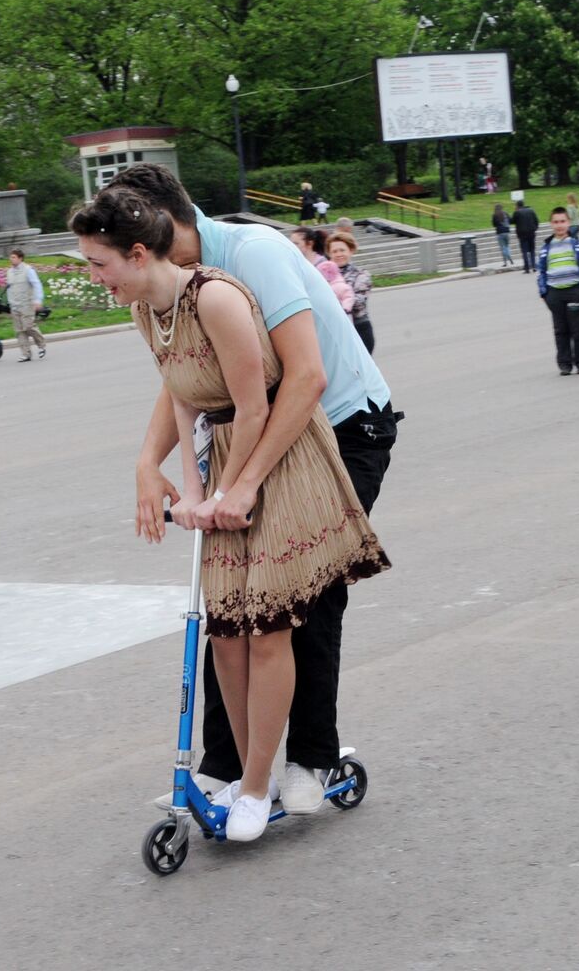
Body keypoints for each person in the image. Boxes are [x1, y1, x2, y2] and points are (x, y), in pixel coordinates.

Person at [71, 187, 389, 842]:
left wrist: (239, 488)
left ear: (161, 231)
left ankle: (309, 761)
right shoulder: (164, 297)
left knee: (304, 606)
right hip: (245, 443)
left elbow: (303, 381)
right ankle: (234, 766)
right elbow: (187, 380)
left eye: (101, 263)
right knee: (229, 622)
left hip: (339, 427)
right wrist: (157, 467)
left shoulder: (250, 258)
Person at [536, 207, 579, 375]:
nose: (559, 225)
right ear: (551, 224)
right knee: (560, 330)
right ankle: (564, 364)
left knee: (577, 329)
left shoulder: (577, 245)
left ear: (568, 223)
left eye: (562, 221)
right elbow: (541, 271)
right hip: (554, 293)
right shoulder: (546, 248)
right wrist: (544, 292)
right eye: (556, 222)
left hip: (574, 290)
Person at [327, 232, 375, 354]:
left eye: (342, 250)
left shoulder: (361, 274)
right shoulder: (323, 276)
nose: (338, 254)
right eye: (334, 251)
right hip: (334, 331)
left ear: (351, 251)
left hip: (359, 329)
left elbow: (358, 302)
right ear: (329, 254)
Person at [290, 227, 355, 313]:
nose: (291, 246)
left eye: (296, 243)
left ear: (309, 243)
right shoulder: (297, 265)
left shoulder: (324, 265)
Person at [5, 249, 48, 362]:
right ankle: (25, 353)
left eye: (14, 257)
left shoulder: (28, 270)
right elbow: (10, 289)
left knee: (28, 327)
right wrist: (10, 303)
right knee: (19, 331)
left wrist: (38, 300)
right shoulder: (9, 272)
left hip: (27, 303)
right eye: (10, 257)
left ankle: (41, 345)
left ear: (20, 258)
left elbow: (36, 284)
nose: (11, 259)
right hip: (15, 305)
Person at [512, 198, 540, 273]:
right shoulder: (531, 210)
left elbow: (512, 221)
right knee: (532, 250)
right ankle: (534, 266)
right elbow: (537, 221)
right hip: (531, 232)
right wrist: (535, 228)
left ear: (517, 206)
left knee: (524, 251)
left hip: (522, 234)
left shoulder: (517, 212)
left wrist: (515, 211)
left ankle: (527, 268)